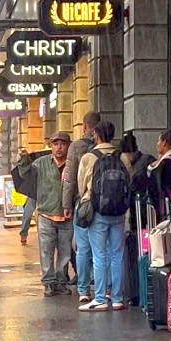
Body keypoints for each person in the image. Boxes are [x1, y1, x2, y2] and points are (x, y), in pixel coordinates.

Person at [77, 121, 130, 312]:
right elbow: (129, 181)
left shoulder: (89, 157)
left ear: (97, 135)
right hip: (118, 211)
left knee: (99, 254)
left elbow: (81, 185)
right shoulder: (122, 156)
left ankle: (100, 298)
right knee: (117, 254)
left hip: (97, 210)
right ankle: (117, 298)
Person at [17, 131, 76, 297]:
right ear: (51, 146)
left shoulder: (72, 164)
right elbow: (25, 174)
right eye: (55, 144)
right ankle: (49, 284)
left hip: (66, 215)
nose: (59, 147)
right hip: (46, 215)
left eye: (62, 144)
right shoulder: (41, 163)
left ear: (68, 146)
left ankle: (61, 282)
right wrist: (24, 159)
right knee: (46, 252)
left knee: (64, 252)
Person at [64, 112, 100, 302]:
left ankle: (84, 289)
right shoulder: (109, 148)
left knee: (83, 247)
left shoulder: (77, 147)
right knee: (103, 249)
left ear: (85, 125)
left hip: (83, 203)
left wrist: (66, 204)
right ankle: (105, 289)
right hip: (105, 204)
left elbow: (70, 178)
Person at [148, 129, 171, 217]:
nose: (157, 143)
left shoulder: (166, 163)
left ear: (164, 142)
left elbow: (159, 188)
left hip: (164, 208)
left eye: (159, 140)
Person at [11, 147, 37, 246]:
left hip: (43, 192)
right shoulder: (35, 161)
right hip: (35, 191)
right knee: (28, 213)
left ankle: (24, 234)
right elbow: (25, 170)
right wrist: (25, 156)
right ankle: (23, 234)